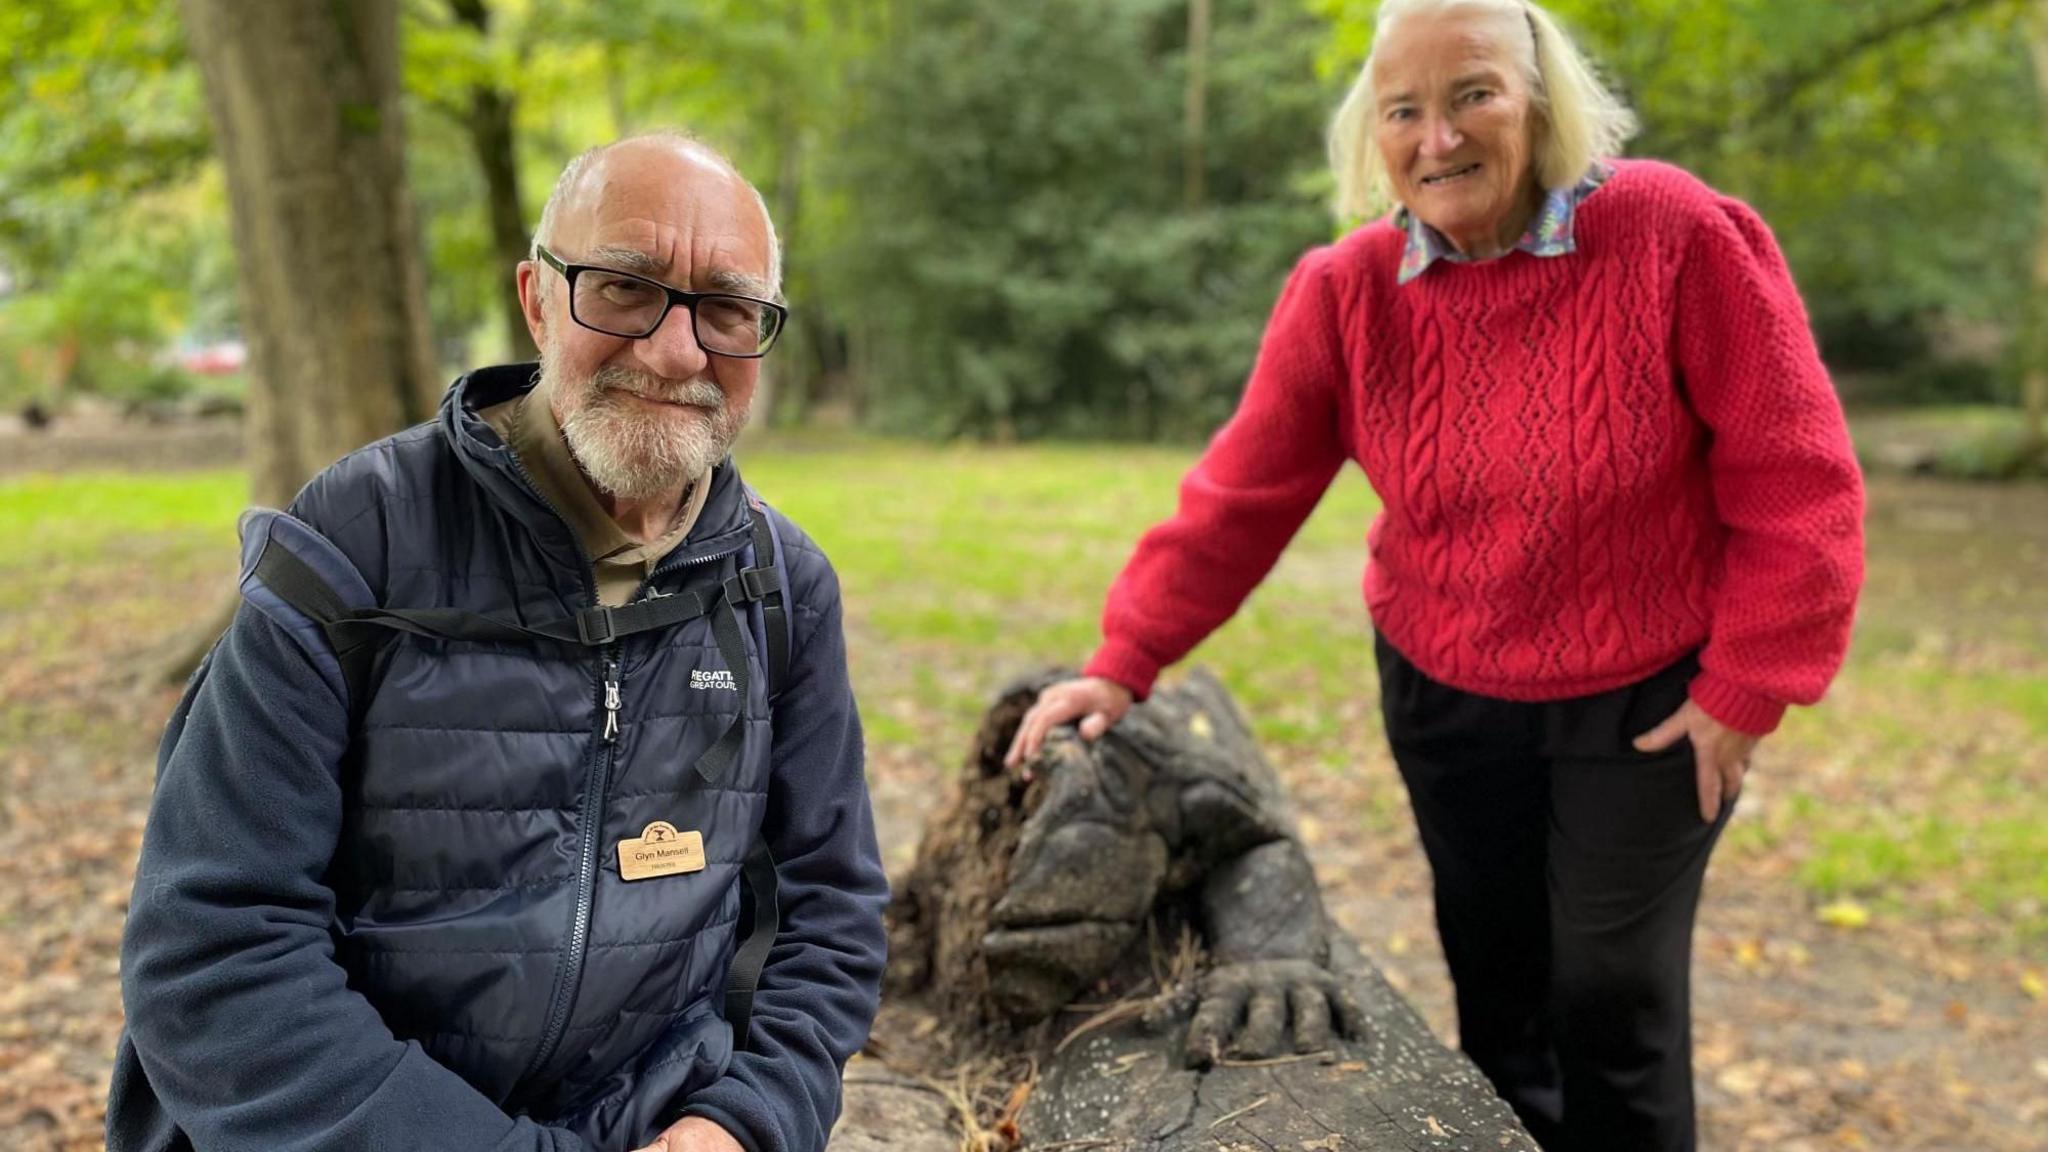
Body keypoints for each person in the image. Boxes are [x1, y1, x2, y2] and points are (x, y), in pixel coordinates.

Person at [1005, 2, 1864, 1149]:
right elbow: (1240, 496)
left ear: (1540, 102)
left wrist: (1749, 682)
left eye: (1472, 95)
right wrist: (1123, 662)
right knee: (1497, 993)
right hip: (1447, 696)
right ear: (1373, 131)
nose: (1437, 137)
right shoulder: (1346, 291)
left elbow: (1796, 474)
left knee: (1614, 998)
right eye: (1402, 109)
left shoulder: (1674, 232)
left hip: (1648, 702)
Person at [108, 134, 888, 1152]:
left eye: (727, 310)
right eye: (623, 287)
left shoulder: (780, 589)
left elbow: (827, 915)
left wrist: (743, 1120)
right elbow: (213, 953)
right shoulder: (356, 545)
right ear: (535, 297)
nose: (674, 350)